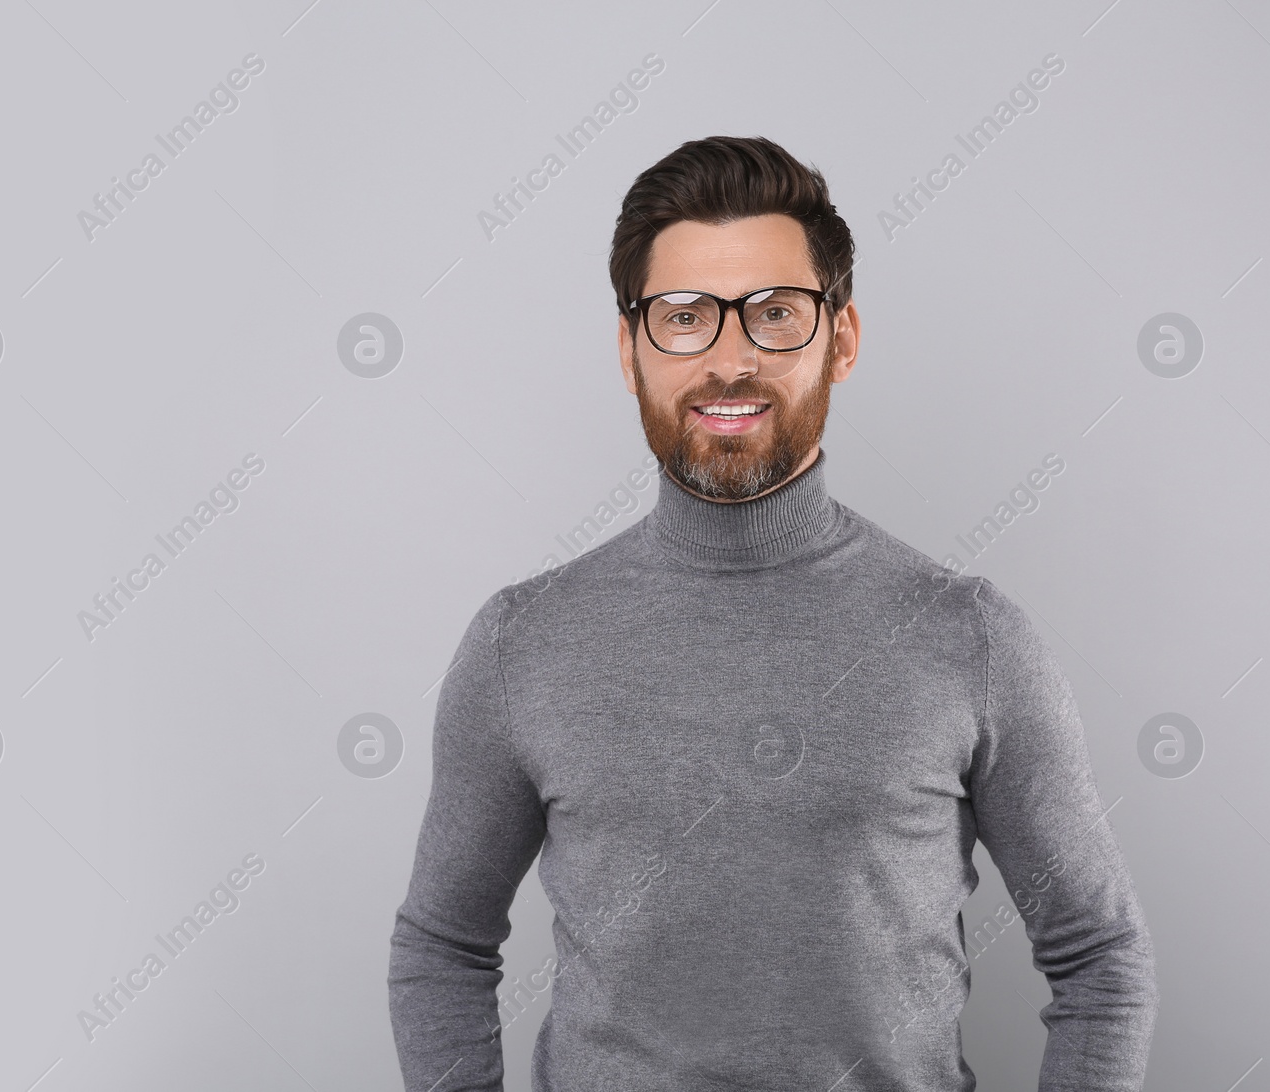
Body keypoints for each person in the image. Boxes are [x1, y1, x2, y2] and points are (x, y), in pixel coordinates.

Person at [387, 135, 1157, 1090]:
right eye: (684, 318)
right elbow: (442, 947)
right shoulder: (523, 642)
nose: (731, 358)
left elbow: (1099, 958)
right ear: (630, 350)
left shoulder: (971, 639)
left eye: (776, 314)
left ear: (842, 339)